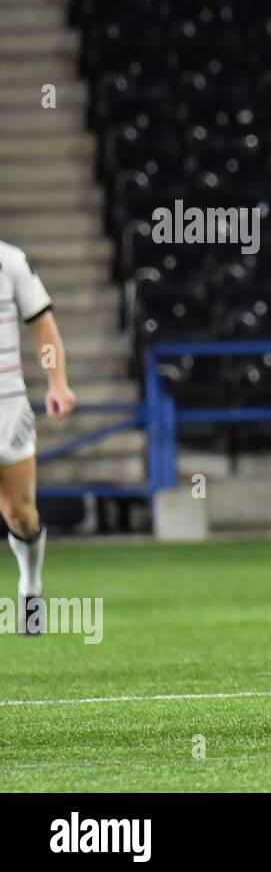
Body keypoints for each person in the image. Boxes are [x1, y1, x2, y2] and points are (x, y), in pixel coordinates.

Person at [0, 238, 76, 634]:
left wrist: (57, 383)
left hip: (6, 406)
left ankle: (30, 585)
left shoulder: (10, 261)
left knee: (21, 514)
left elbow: (43, 325)